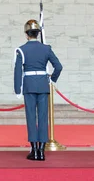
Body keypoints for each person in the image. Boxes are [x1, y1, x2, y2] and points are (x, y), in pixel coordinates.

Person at [14, 19, 63, 161]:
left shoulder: (21, 50)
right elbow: (58, 67)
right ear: (38, 33)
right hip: (43, 84)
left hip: (29, 86)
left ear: (26, 34)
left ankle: (34, 150)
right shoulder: (46, 49)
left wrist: (18, 89)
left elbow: (18, 71)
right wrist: (52, 79)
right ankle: (42, 151)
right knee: (43, 117)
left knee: (31, 117)